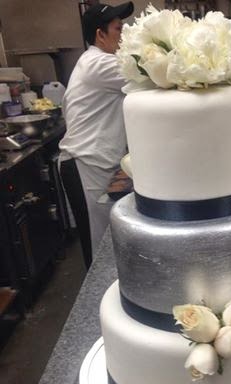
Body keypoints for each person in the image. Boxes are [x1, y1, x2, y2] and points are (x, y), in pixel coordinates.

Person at [59, 2, 134, 269]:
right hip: (85, 165)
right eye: (119, 29)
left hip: (92, 163)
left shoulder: (94, 63)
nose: (124, 35)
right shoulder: (99, 64)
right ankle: (96, 297)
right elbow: (147, 77)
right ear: (100, 34)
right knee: (99, 248)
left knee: (105, 244)